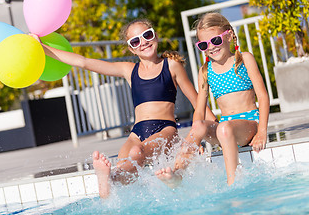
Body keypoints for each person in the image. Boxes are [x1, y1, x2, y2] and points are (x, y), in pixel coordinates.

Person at [30, 19, 217, 198]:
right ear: (131, 49)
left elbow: (196, 100)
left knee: (137, 152)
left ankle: (117, 177)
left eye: (147, 35)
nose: (143, 42)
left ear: (156, 36)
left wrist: (212, 128)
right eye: (136, 41)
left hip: (165, 129)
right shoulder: (129, 70)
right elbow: (84, 62)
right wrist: (43, 49)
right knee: (124, 164)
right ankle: (108, 179)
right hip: (137, 132)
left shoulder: (171, 65)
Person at [156, 12, 269, 187]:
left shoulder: (244, 59)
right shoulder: (205, 71)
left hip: (249, 124)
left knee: (223, 128)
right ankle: (177, 174)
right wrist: (196, 138)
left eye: (215, 40)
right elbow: (200, 111)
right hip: (225, 128)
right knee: (199, 125)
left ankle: (233, 182)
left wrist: (262, 131)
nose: (211, 47)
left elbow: (263, 96)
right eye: (203, 44)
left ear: (229, 35)